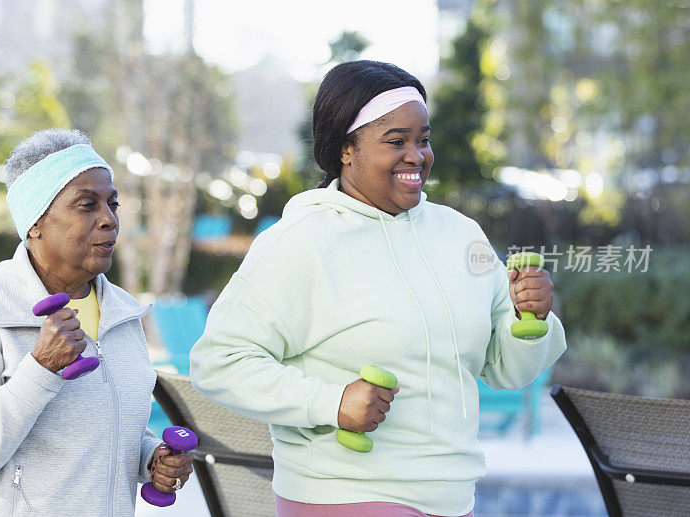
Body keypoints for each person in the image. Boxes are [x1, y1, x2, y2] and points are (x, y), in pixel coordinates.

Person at [189, 60, 567, 517]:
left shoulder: (460, 234)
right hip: (344, 493)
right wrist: (331, 402)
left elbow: (505, 371)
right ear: (347, 148)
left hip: (452, 496)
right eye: (396, 141)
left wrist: (532, 319)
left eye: (423, 139)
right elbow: (218, 362)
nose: (417, 155)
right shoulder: (300, 241)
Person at [0, 129, 193, 516]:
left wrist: (150, 458)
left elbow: (114, 426)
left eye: (113, 203)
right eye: (87, 204)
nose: (109, 220)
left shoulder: (123, 314)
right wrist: (39, 370)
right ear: (35, 222)